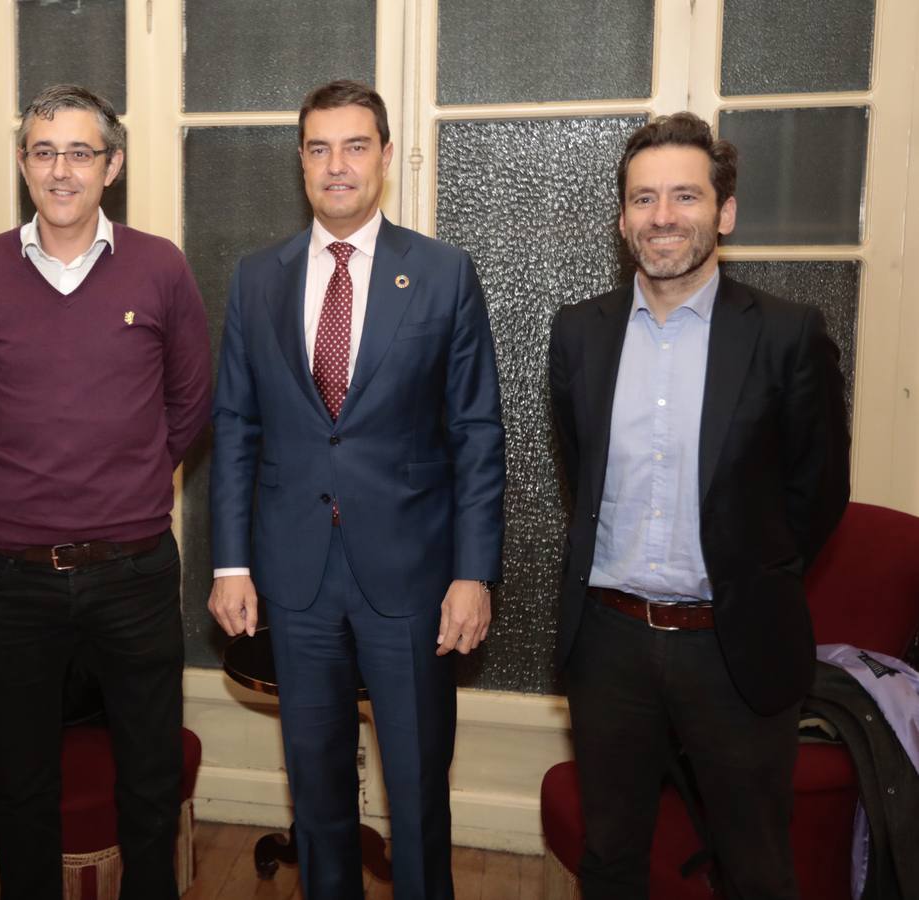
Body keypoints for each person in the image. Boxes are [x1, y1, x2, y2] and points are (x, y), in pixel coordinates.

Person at [208, 80, 506, 900]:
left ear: (382, 155)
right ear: (299, 161)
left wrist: (473, 572)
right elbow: (234, 425)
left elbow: (476, 433)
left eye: (353, 146)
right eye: (317, 148)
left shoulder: (442, 273)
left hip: (410, 578)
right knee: (316, 793)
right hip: (293, 579)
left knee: (416, 795)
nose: (335, 166)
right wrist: (229, 562)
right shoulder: (256, 277)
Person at [548, 112, 851, 899]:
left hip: (733, 647)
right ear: (620, 219)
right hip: (608, 644)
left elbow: (817, 495)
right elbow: (583, 476)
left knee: (753, 867)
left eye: (684, 196)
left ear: (723, 212)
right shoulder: (578, 333)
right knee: (610, 856)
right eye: (643, 199)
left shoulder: (786, 336)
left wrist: (751, 579)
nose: (662, 217)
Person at [0, 84, 211, 898]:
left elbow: (191, 399)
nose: (61, 170)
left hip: (130, 571)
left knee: (147, 779)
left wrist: (128, 477)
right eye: (43, 151)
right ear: (24, 163)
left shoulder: (160, 265)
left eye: (80, 152)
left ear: (112, 165)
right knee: (21, 785)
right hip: (9, 578)